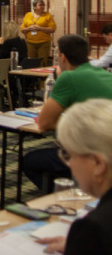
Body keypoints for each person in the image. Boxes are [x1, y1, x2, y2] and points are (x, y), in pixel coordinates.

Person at [23, 34, 112, 192]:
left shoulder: (69, 77)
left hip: (92, 151)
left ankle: (62, 195)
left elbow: (44, 123)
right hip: (106, 151)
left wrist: (73, 124)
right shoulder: (105, 74)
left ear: (62, 57)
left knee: (30, 161)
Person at [35, 99, 112, 254]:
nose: (68, 164)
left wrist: (84, 244)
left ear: (98, 163)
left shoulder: (93, 228)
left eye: (68, 155)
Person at [20, 0, 56, 66]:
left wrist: (40, 28)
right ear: (34, 7)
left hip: (44, 43)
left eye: (43, 5)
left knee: (42, 62)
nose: (42, 7)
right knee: (31, 62)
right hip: (30, 43)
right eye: (40, 5)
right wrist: (29, 28)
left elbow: (52, 29)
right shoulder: (28, 15)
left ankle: (41, 76)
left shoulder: (48, 15)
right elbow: (22, 29)